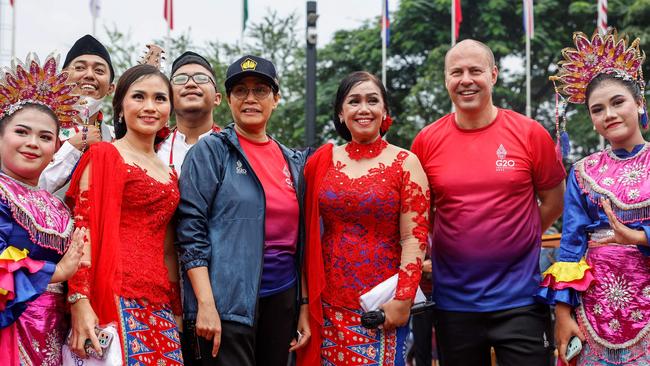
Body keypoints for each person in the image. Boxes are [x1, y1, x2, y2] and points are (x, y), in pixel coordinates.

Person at [410, 39, 566, 366]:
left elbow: (554, 200)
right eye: (456, 72)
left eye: (475, 71)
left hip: (520, 300)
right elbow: (421, 214)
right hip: (454, 303)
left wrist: (518, 237)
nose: (466, 79)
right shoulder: (426, 141)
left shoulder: (529, 133)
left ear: (493, 75)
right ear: (446, 80)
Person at [176, 54, 309, 366]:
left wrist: (302, 306)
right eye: (241, 91)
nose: (250, 98)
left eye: (260, 90)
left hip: (281, 301)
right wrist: (205, 303)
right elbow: (189, 229)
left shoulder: (292, 161)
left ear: (276, 99)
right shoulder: (211, 150)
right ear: (229, 100)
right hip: (225, 304)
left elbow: (300, 241)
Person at [298, 71, 430, 365]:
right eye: (353, 101)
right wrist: (305, 302)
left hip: (382, 305)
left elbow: (415, 236)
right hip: (327, 304)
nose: (364, 109)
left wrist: (403, 299)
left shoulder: (405, 162)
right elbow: (305, 235)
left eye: (373, 100)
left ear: (385, 111)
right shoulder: (322, 161)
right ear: (341, 114)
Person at [538, 29, 650, 365]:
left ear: (639, 102)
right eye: (597, 109)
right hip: (593, 305)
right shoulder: (583, 172)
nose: (609, 115)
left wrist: (638, 237)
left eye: (618, 102)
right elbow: (571, 244)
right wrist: (562, 313)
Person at [66, 64, 184, 365]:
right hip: (113, 293)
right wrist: (79, 301)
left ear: (170, 108)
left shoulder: (170, 174)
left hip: (160, 304)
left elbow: (168, 247)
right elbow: (83, 229)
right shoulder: (104, 155)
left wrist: (177, 309)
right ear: (121, 107)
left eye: (159, 98)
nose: (149, 106)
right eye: (139, 97)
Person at [0, 54, 86, 365]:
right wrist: (57, 272)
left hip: (55, 332)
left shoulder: (59, 208)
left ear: (55, 150)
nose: (33, 143)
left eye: (45, 137)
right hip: (9, 328)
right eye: (21, 132)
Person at [39, 34, 115, 193]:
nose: (89, 75)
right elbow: (28, 190)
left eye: (99, 70)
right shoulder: (40, 129)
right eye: (79, 68)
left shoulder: (117, 137)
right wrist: (73, 147)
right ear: (62, 79)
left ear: (110, 88)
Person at [156, 51, 222, 174]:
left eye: (201, 78)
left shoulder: (233, 147)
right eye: (180, 79)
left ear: (217, 98)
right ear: (169, 97)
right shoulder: (152, 146)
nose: (190, 84)